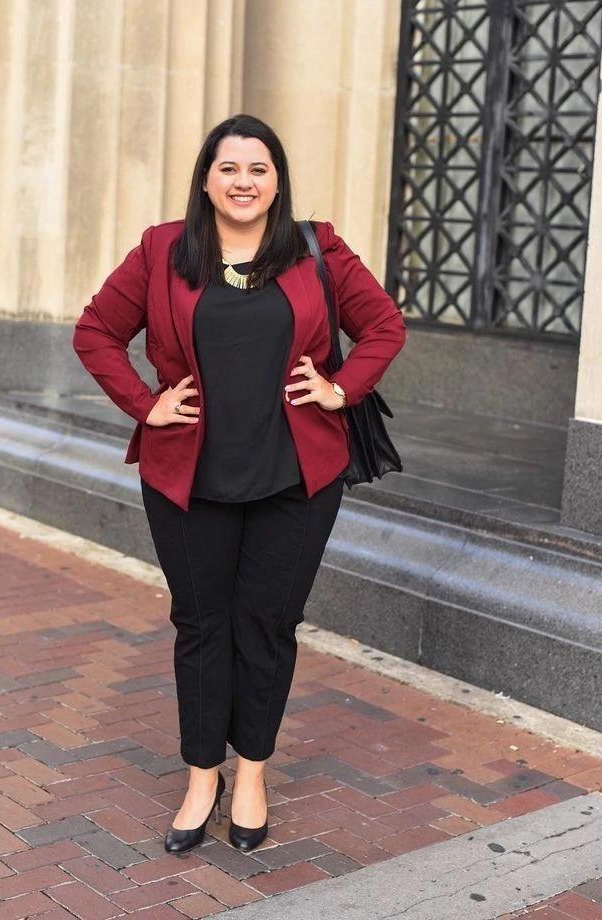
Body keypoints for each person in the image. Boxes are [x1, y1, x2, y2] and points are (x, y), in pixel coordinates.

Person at [73, 113, 405, 854]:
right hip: (188, 478)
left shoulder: (316, 247)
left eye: (258, 169)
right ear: (206, 178)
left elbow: (383, 325)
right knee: (200, 624)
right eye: (229, 168)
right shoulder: (163, 250)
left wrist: (342, 389)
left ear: (277, 180)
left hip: (297, 479)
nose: (243, 182)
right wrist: (144, 402)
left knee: (266, 624)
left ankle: (250, 773)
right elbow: (95, 330)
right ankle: (202, 777)